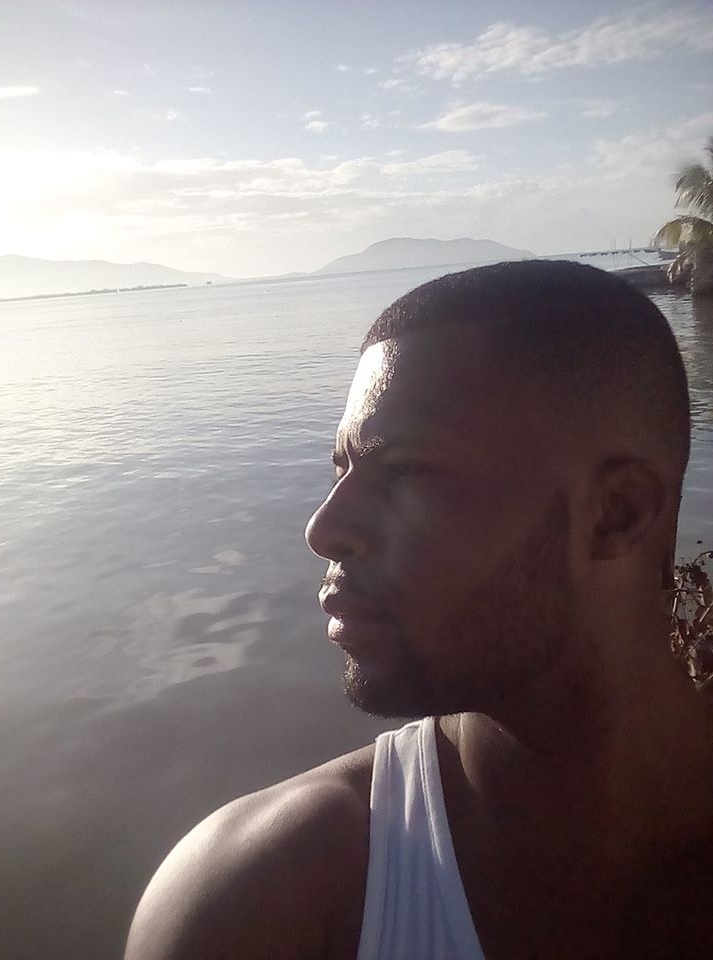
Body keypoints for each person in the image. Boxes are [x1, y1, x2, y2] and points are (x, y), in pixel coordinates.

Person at [124, 261, 713, 960]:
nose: (323, 529)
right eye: (342, 468)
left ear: (616, 514)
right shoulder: (260, 902)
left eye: (405, 471)